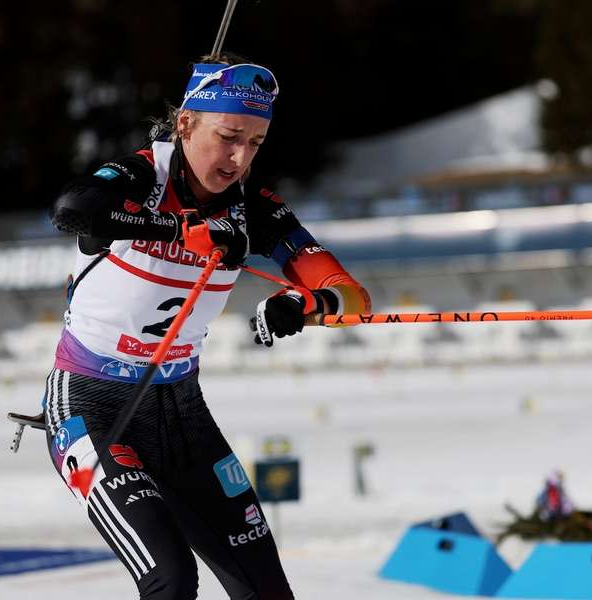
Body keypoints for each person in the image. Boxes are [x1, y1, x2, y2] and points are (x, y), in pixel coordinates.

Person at [44, 52, 371, 599]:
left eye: (256, 142)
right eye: (229, 136)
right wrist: (173, 227)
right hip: (93, 409)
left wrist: (305, 305)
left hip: (182, 416)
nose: (240, 157)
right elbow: (72, 209)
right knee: (171, 581)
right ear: (186, 124)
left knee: (266, 592)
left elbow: (350, 294)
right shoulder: (143, 176)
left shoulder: (256, 210)